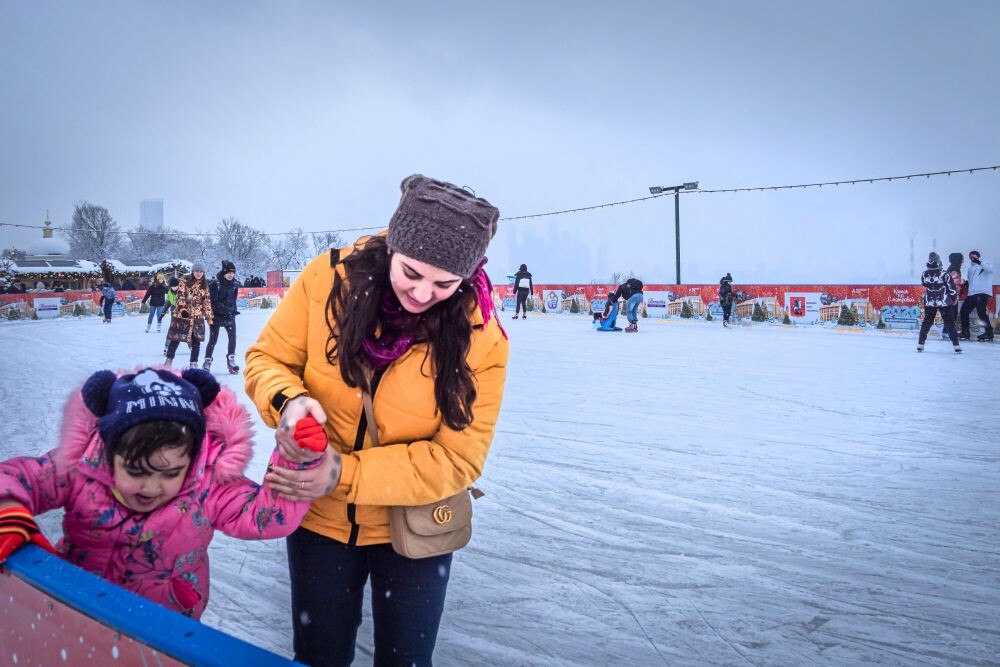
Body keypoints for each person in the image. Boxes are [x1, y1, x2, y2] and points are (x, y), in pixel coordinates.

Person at [244, 174, 509, 666]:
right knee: (319, 654)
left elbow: (458, 459)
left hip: (415, 529)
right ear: (393, 246)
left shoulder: (482, 338)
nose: (425, 291)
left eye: (445, 283)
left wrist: (343, 474)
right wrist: (289, 403)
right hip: (318, 520)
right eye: (411, 272)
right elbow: (267, 360)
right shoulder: (327, 281)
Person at [0, 367, 335, 618]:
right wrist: (6, 511)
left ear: (191, 460)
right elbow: (19, 477)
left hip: (166, 624)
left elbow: (266, 518)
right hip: (76, 611)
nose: (151, 487)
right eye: (136, 471)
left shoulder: (207, 486)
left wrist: (297, 458)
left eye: (170, 473)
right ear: (109, 451)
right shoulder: (80, 470)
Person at [165, 263, 213, 369]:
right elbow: (180, 296)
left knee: (196, 341)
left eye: (201, 272)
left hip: (197, 316)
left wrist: (209, 316)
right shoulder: (184, 281)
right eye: (197, 271)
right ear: (193, 271)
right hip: (183, 316)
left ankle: (193, 364)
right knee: (176, 339)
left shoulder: (205, 284)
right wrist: (182, 309)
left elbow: (207, 300)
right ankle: (168, 361)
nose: (199, 274)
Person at [917, 252, 961, 353]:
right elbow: (952, 288)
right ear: (939, 262)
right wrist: (953, 299)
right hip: (943, 302)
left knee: (927, 323)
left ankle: (920, 344)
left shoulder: (924, 274)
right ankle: (956, 345)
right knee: (950, 323)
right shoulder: (944, 274)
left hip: (929, 302)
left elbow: (924, 283)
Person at [205, 260, 240, 374]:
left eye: (233, 273)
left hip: (229, 316)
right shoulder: (215, 284)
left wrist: (233, 311)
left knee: (233, 338)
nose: (231, 275)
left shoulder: (235, 284)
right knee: (213, 339)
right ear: (224, 272)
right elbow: (213, 302)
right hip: (216, 316)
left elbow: (233, 300)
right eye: (229, 272)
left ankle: (231, 360)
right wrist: (227, 310)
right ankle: (207, 361)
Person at [959, 250, 994, 342]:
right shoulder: (970, 268)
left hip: (982, 292)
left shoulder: (985, 263)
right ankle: (965, 332)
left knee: (981, 311)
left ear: (978, 256)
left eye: (974, 256)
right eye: (971, 256)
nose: (972, 258)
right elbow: (971, 280)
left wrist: (979, 262)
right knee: (964, 311)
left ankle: (989, 333)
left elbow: (990, 270)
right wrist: (966, 283)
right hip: (972, 293)